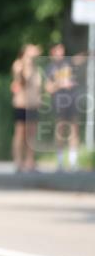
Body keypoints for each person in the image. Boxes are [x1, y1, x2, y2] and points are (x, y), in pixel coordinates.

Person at [45, 43, 79, 172]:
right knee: (60, 130)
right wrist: (60, 84)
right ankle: (60, 162)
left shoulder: (68, 63)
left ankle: (73, 162)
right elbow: (48, 88)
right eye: (58, 50)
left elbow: (79, 59)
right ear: (52, 52)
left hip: (72, 100)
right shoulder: (50, 68)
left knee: (74, 130)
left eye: (62, 50)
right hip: (59, 102)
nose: (61, 53)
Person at [11, 44, 41, 172]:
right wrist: (25, 65)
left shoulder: (36, 68)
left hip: (33, 104)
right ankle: (18, 161)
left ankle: (30, 161)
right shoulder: (19, 65)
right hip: (22, 104)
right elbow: (20, 80)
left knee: (31, 134)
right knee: (20, 134)